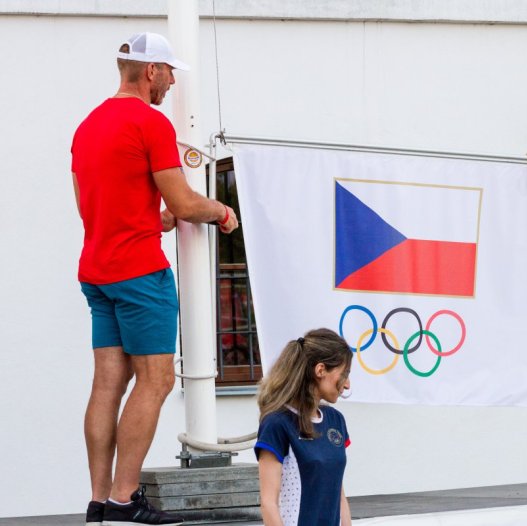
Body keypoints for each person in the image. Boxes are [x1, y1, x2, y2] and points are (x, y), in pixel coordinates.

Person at [71, 32, 239, 526]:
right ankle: (126, 498)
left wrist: (152, 218)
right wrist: (222, 211)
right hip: (140, 272)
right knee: (157, 379)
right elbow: (188, 203)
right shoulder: (150, 121)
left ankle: (100, 500)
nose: (170, 82)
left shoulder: (87, 126)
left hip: (97, 269)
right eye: (169, 72)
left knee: (108, 381)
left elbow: (92, 203)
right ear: (150, 72)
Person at [255, 329, 353, 526]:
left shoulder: (335, 420)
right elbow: (268, 504)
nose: (348, 384)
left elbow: (338, 493)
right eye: (344, 374)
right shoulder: (276, 424)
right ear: (320, 370)